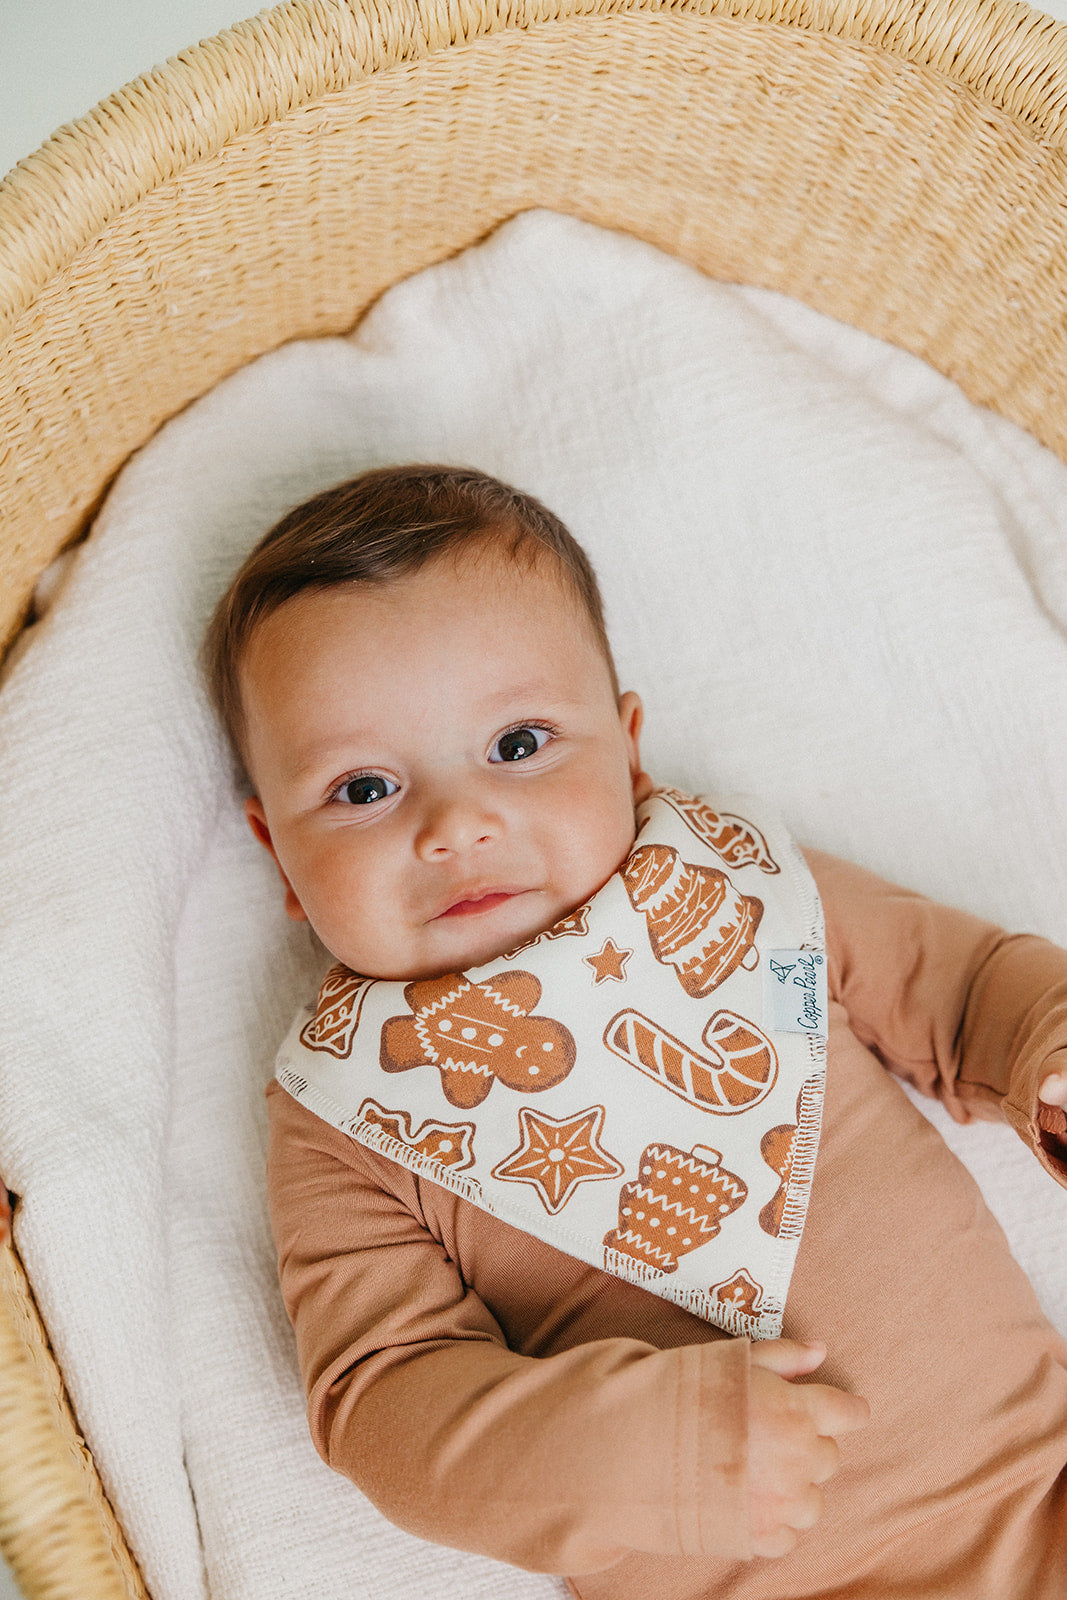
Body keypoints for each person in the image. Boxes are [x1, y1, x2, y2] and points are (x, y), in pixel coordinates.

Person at [204, 464, 1067, 1599]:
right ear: (277, 854)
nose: (458, 824)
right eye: (364, 788)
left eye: (517, 744)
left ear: (629, 750)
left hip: (1035, 1478)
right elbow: (382, 1402)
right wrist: (633, 1450)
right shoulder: (348, 1112)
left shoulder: (739, 891)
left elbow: (960, 990)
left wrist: (1044, 1046)